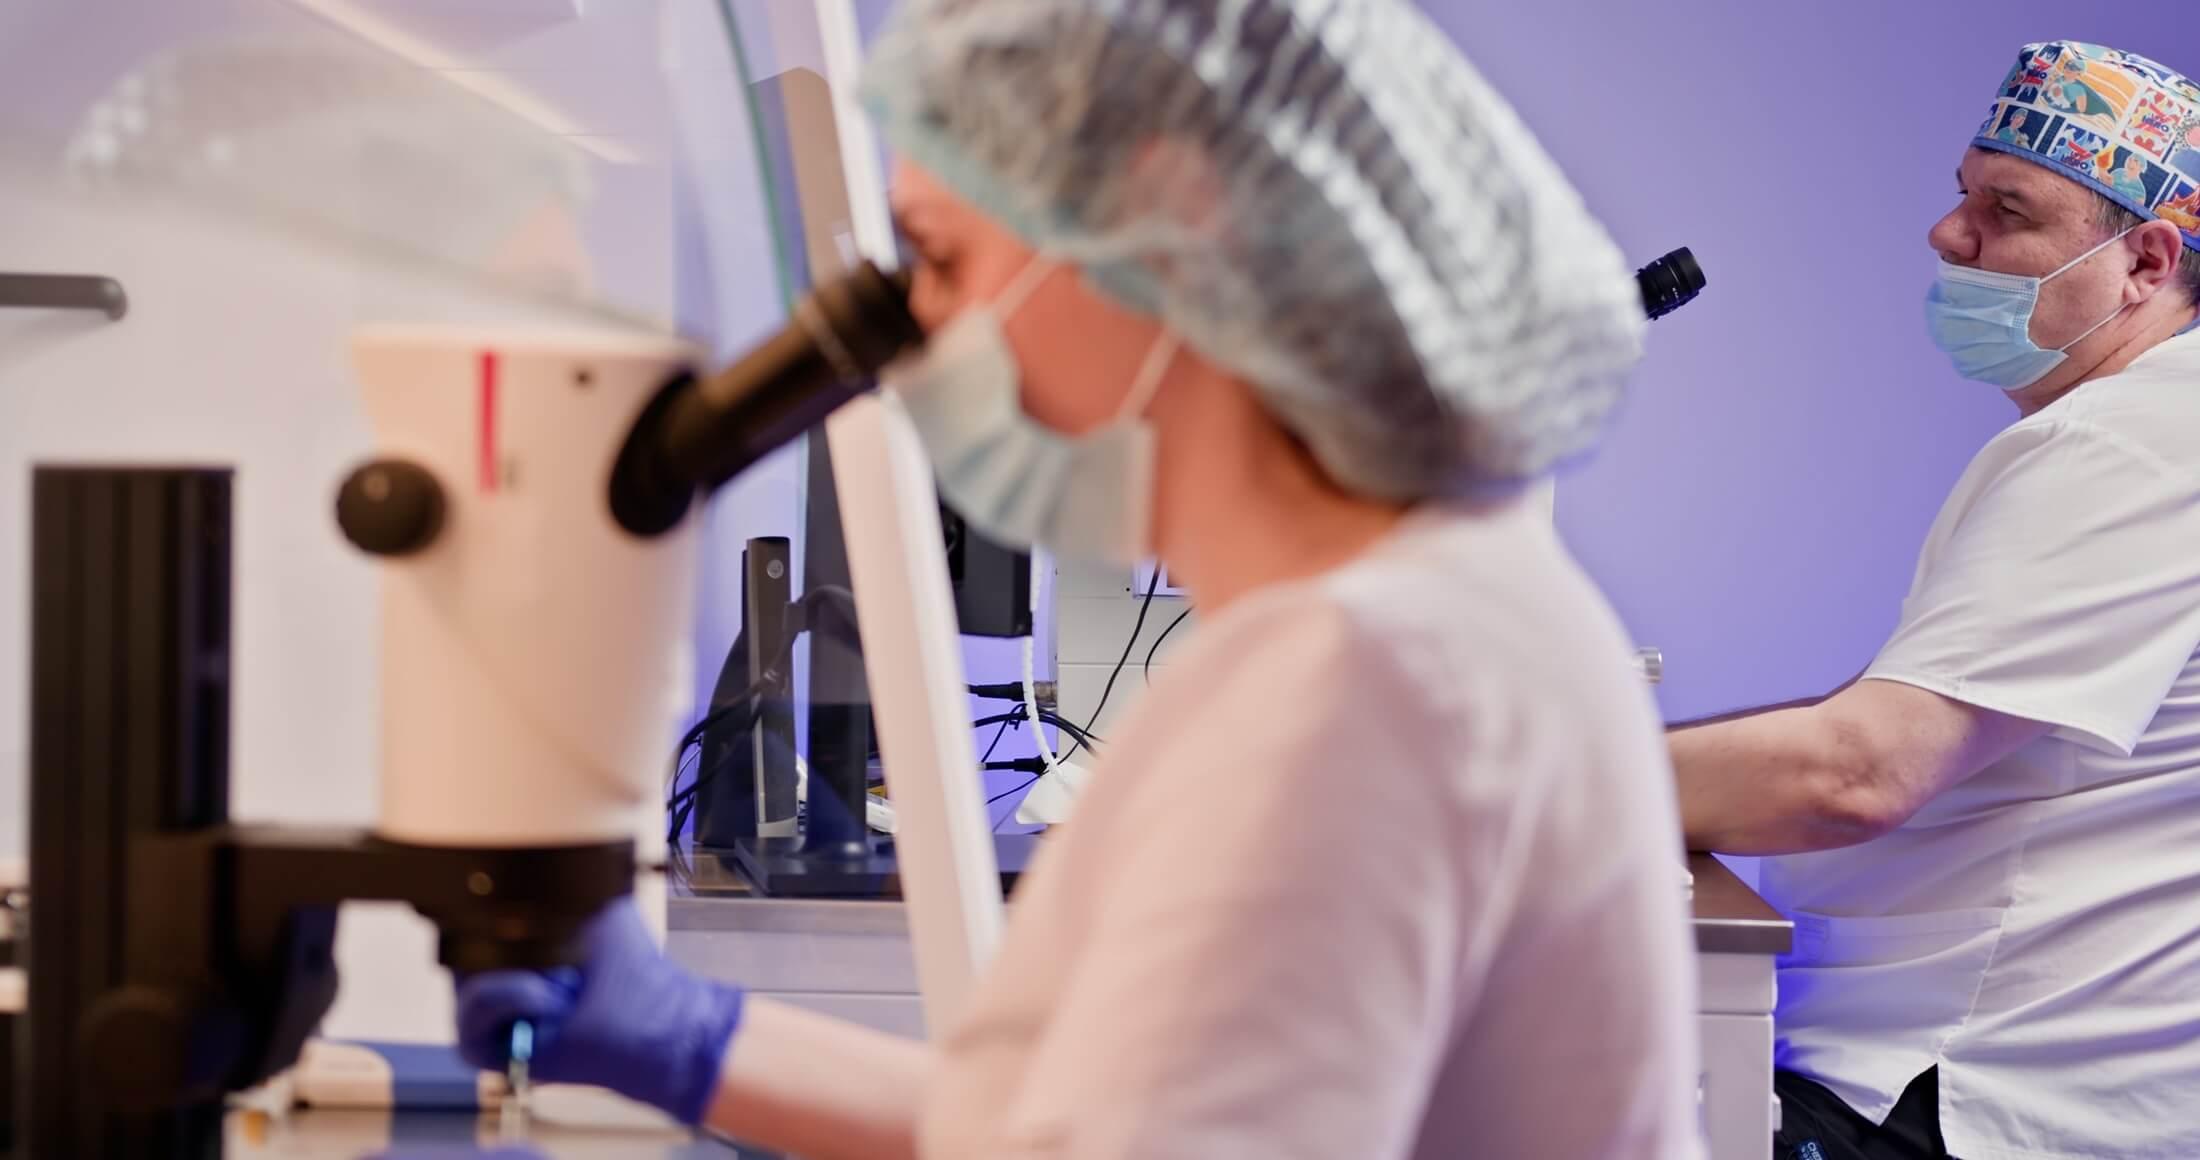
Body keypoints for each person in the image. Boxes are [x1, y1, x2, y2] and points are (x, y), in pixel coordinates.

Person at [455, 1, 1706, 1156]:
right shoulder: (1396, 619)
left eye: (940, 259)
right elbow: (1079, 1117)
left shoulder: (1370, 679)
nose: (915, 343)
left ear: (1162, 228)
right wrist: (688, 1039)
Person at [1667, 40, 2200, 1160]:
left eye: (2005, 209)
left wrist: (1498, 783)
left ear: (2144, 263)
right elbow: (1885, 719)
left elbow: (1856, 769)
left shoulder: (2134, 443)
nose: (1948, 234)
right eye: (1960, 194)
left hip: (1948, 1090)